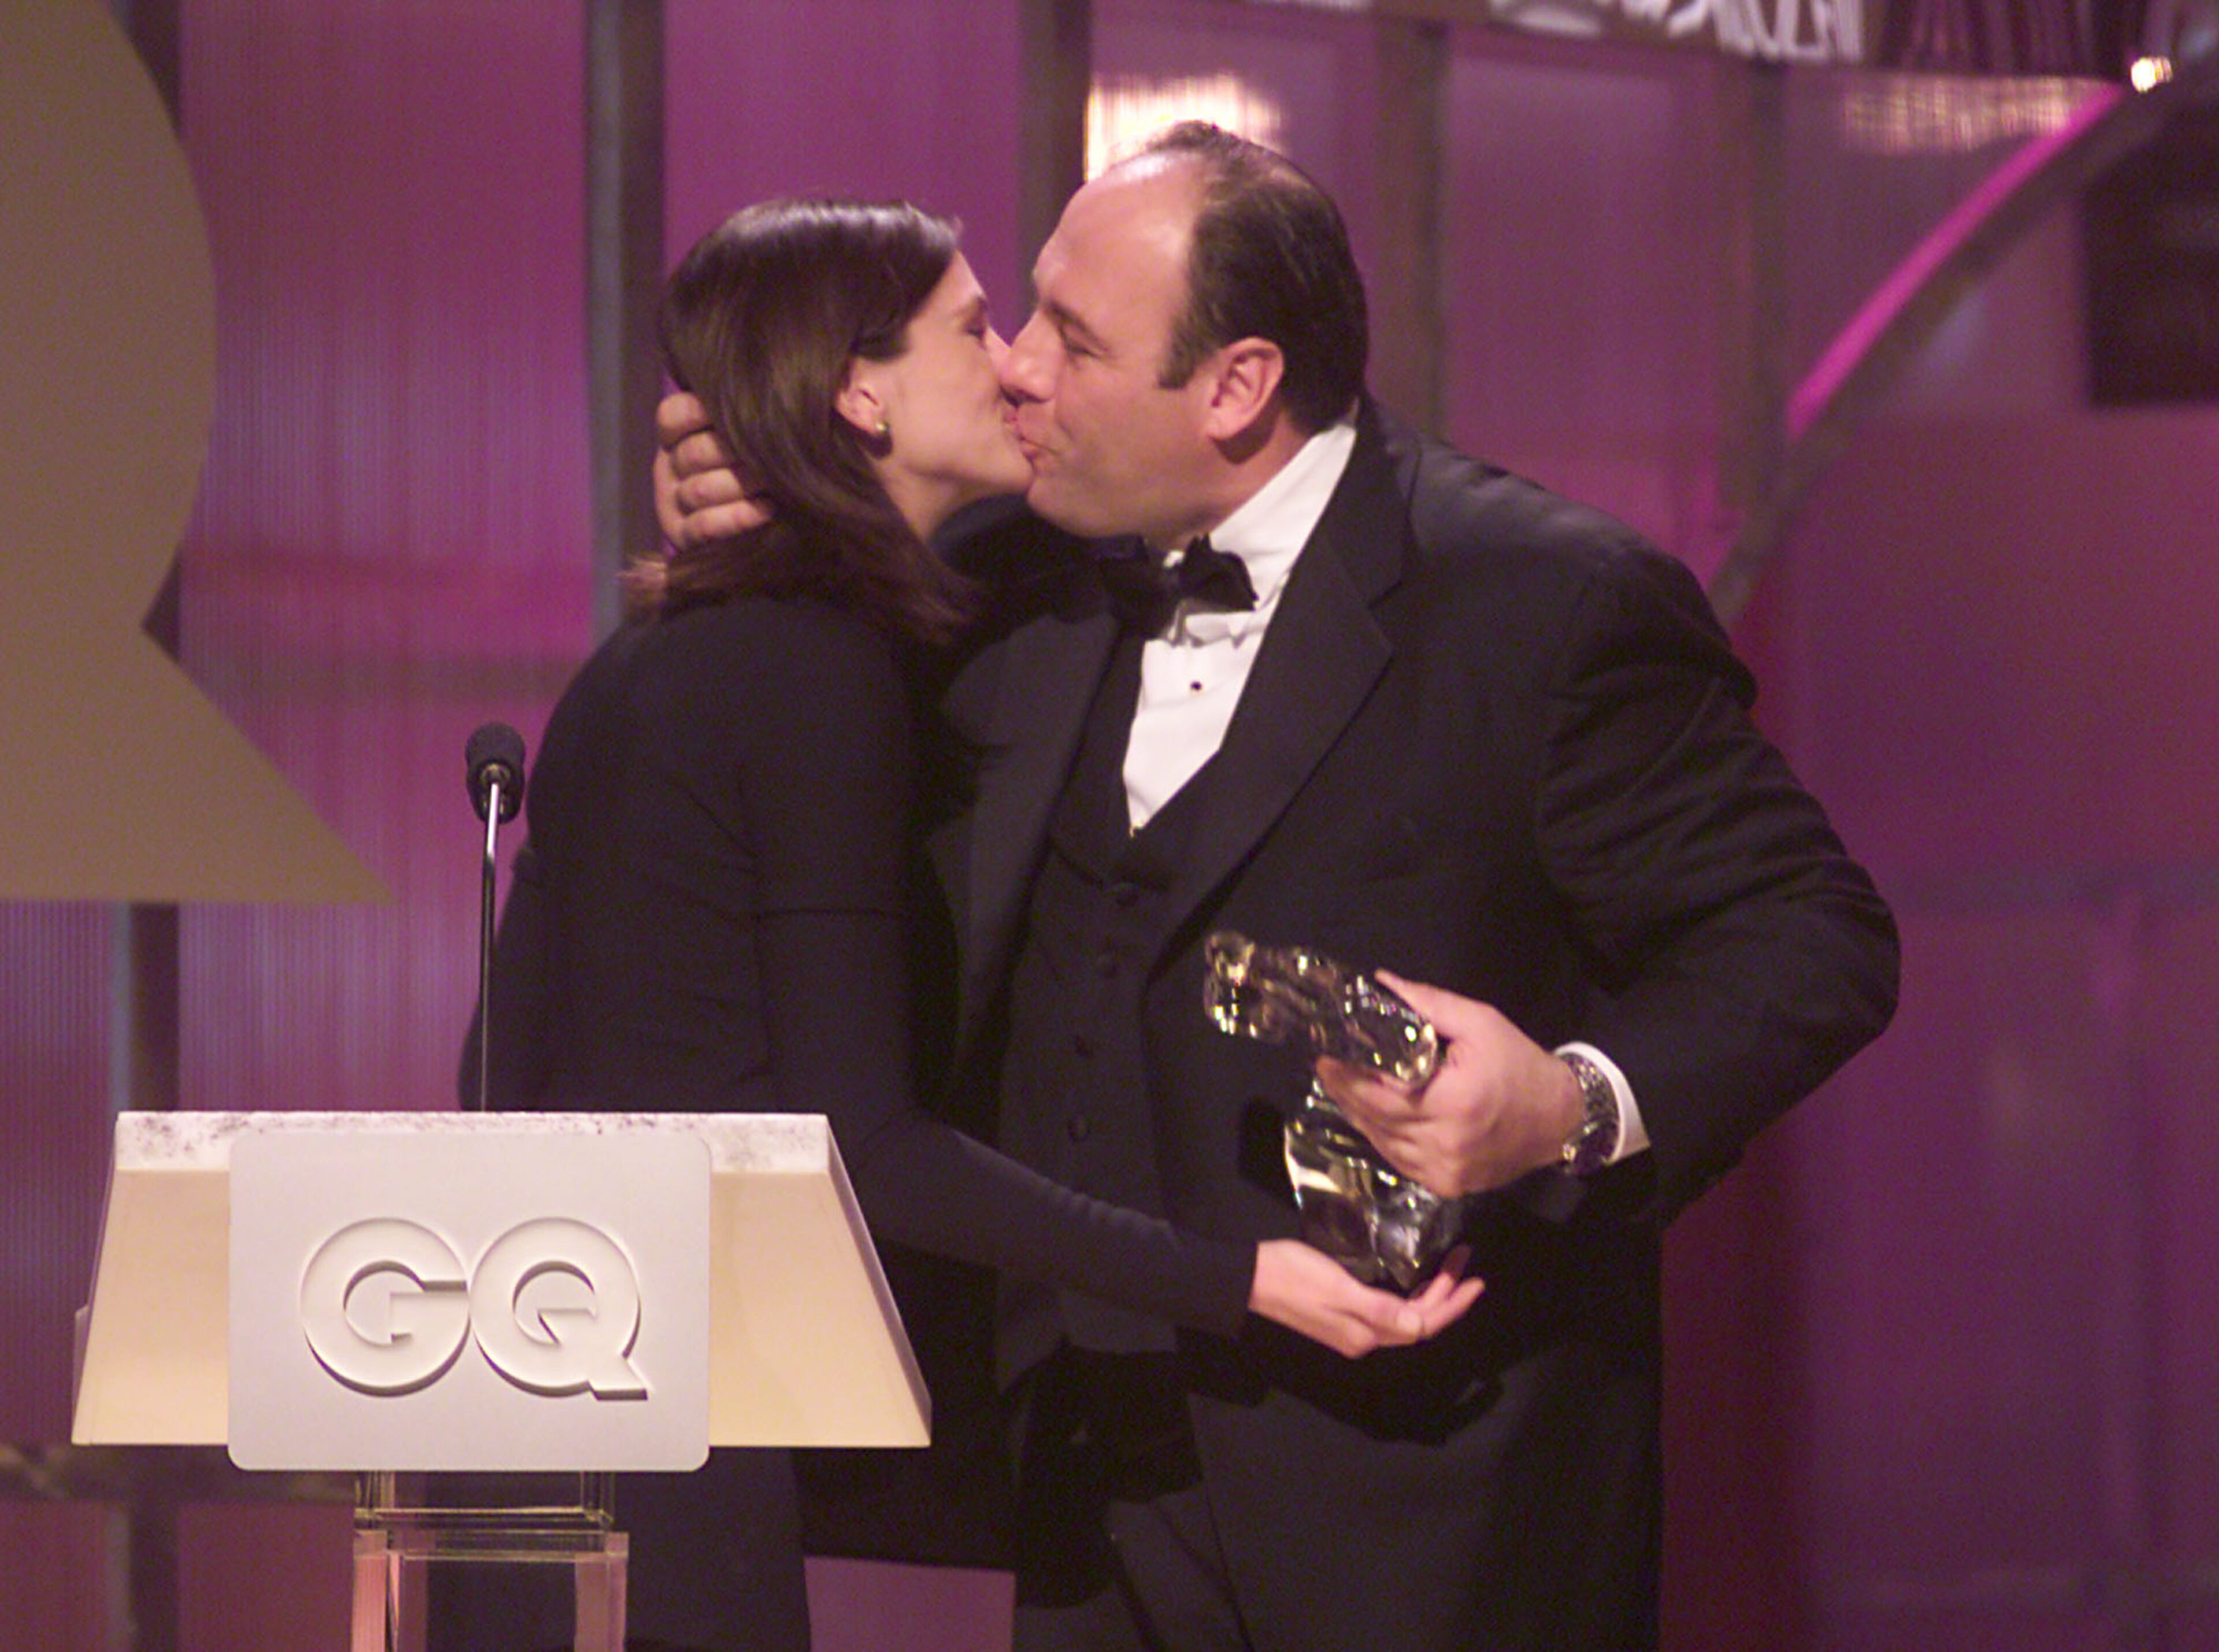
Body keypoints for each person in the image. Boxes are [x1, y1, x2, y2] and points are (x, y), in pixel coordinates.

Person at [659, 127, 1897, 1652]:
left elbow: (1812, 937)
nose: (1017, 370)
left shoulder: (1540, 604)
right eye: (1022, 314)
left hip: (1424, 1507)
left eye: (1072, 337)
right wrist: (763, 497)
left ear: (1237, 386)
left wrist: (1570, 1104)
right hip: (1080, 1493)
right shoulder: (1001, 583)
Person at [475, 196, 1479, 1652]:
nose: (1013, 365)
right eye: (975, 327)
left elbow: (491, 1070)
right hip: (670, 1443)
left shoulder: (656, 657)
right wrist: (1242, 1273)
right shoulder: (817, 677)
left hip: (516, 1401)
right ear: (861, 391)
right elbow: (859, 1147)